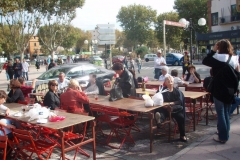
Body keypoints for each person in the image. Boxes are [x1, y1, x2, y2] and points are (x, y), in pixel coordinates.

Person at [202, 39, 239, 143]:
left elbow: (205, 60)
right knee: (226, 113)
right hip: (230, 90)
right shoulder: (234, 58)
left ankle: (223, 137)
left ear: (219, 47)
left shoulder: (217, 57)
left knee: (221, 113)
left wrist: (213, 50)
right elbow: (238, 74)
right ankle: (225, 134)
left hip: (219, 89)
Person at [154, 76, 187, 142]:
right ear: (165, 82)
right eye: (167, 80)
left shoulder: (177, 91)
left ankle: (182, 135)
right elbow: (157, 100)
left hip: (174, 109)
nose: (169, 81)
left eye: (171, 80)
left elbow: (179, 101)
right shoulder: (161, 90)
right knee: (161, 113)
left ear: (173, 82)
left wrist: (172, 103)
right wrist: (164, 106)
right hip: (164, 108)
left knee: (181, 117)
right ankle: (159, 121)